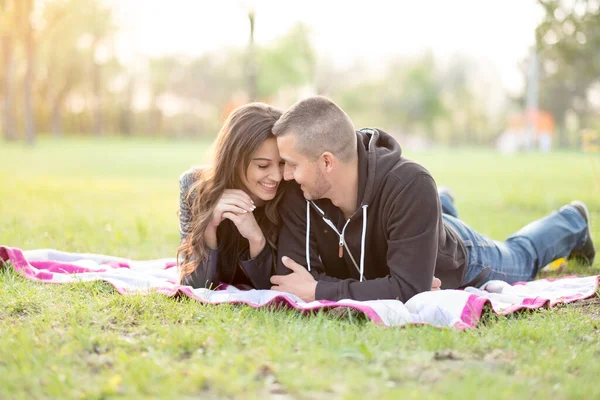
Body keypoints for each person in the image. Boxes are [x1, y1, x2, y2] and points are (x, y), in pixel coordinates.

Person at [269, 96, 595, 302]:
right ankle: (443, 203)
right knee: (422, 216)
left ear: (327, 162)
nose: (284, 175)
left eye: (292, 165)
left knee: (521, 257)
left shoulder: (409, 184)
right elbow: (294, 276)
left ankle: (572, 220)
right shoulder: (303, 190)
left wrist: (322, 290)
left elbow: (410, 290)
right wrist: (391, 285)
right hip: (413, 232)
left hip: (455, 257)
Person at [177, 102, 285, 289]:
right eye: (262, 165)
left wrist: (256, 239)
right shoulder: (193, 187)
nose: (277, 176)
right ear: (234, 160)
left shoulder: (291, 193)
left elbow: (277, 289)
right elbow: (195, 286)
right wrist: (209, 226)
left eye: (283, 163)